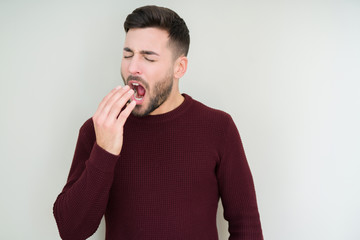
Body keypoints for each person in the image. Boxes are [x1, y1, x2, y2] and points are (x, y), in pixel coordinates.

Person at [53, 5, 263, 240]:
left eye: (148, 57)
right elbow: (71, 230)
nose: (133, 67)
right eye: (127, 54)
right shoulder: (98, 129)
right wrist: (104, 151)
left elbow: (247, 225)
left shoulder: (218, 128)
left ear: (179, 67)